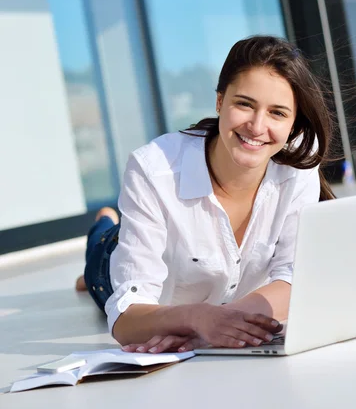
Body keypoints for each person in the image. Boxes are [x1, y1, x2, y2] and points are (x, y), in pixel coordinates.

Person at [76, 35, 335, 354]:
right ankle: (103, 224)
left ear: (294, 123)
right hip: (122, 272)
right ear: (219, 102)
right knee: (102, 257)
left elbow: (295, 277)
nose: (257, 126)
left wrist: (216, 323)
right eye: (244, 104)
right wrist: (196, 318)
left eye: (277, 113)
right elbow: (127, 316)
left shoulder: (298, 165)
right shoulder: (153, 169)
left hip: (202, 312)